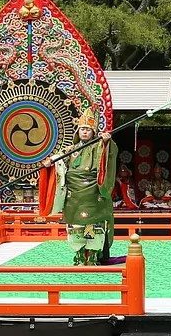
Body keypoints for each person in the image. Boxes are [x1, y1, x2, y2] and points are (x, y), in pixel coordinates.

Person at [39, 109, 117, 266]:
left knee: (91, 226)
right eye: (82, 129)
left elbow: (109, 155)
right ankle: (80, 255)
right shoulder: (70, 150)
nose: (85, 132)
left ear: (93, 132)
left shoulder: (99, 146)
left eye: (88, 129)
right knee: (76, 227)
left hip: (93, 194)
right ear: (78, 131)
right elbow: (58, 161)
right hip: (73, 195)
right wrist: (49, 162)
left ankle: (92, 256)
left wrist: (107, 142)